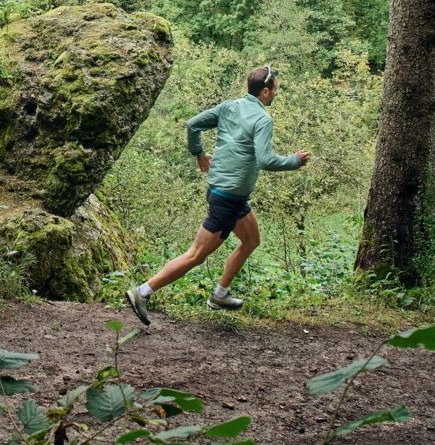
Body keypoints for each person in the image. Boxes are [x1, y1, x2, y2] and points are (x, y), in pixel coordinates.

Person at [125, 65, 309, 325]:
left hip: (227, 194)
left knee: (251, 240)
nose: (276, 94)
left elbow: (193, 125)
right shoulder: (262, 119)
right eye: (275, 89)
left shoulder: (228, 107)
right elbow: (266, 160)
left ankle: (220, 294)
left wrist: (199, 153)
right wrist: (294, 161)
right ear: (265, 91)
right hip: (227, 198)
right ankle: (142, 292)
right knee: (196, 254)